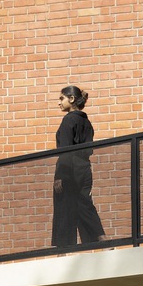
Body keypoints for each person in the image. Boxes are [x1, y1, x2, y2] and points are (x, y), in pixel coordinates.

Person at [51, 85, 106, 247]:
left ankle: (63, 252)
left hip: (69, 170)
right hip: (84, 169)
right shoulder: (86, 122)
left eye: (62, 98)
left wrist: (60, 176)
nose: (59, 102)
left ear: (72, 99)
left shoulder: (69, 120)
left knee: (64, 209)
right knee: (84, 206)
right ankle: (103, 241)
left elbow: (65, 150)